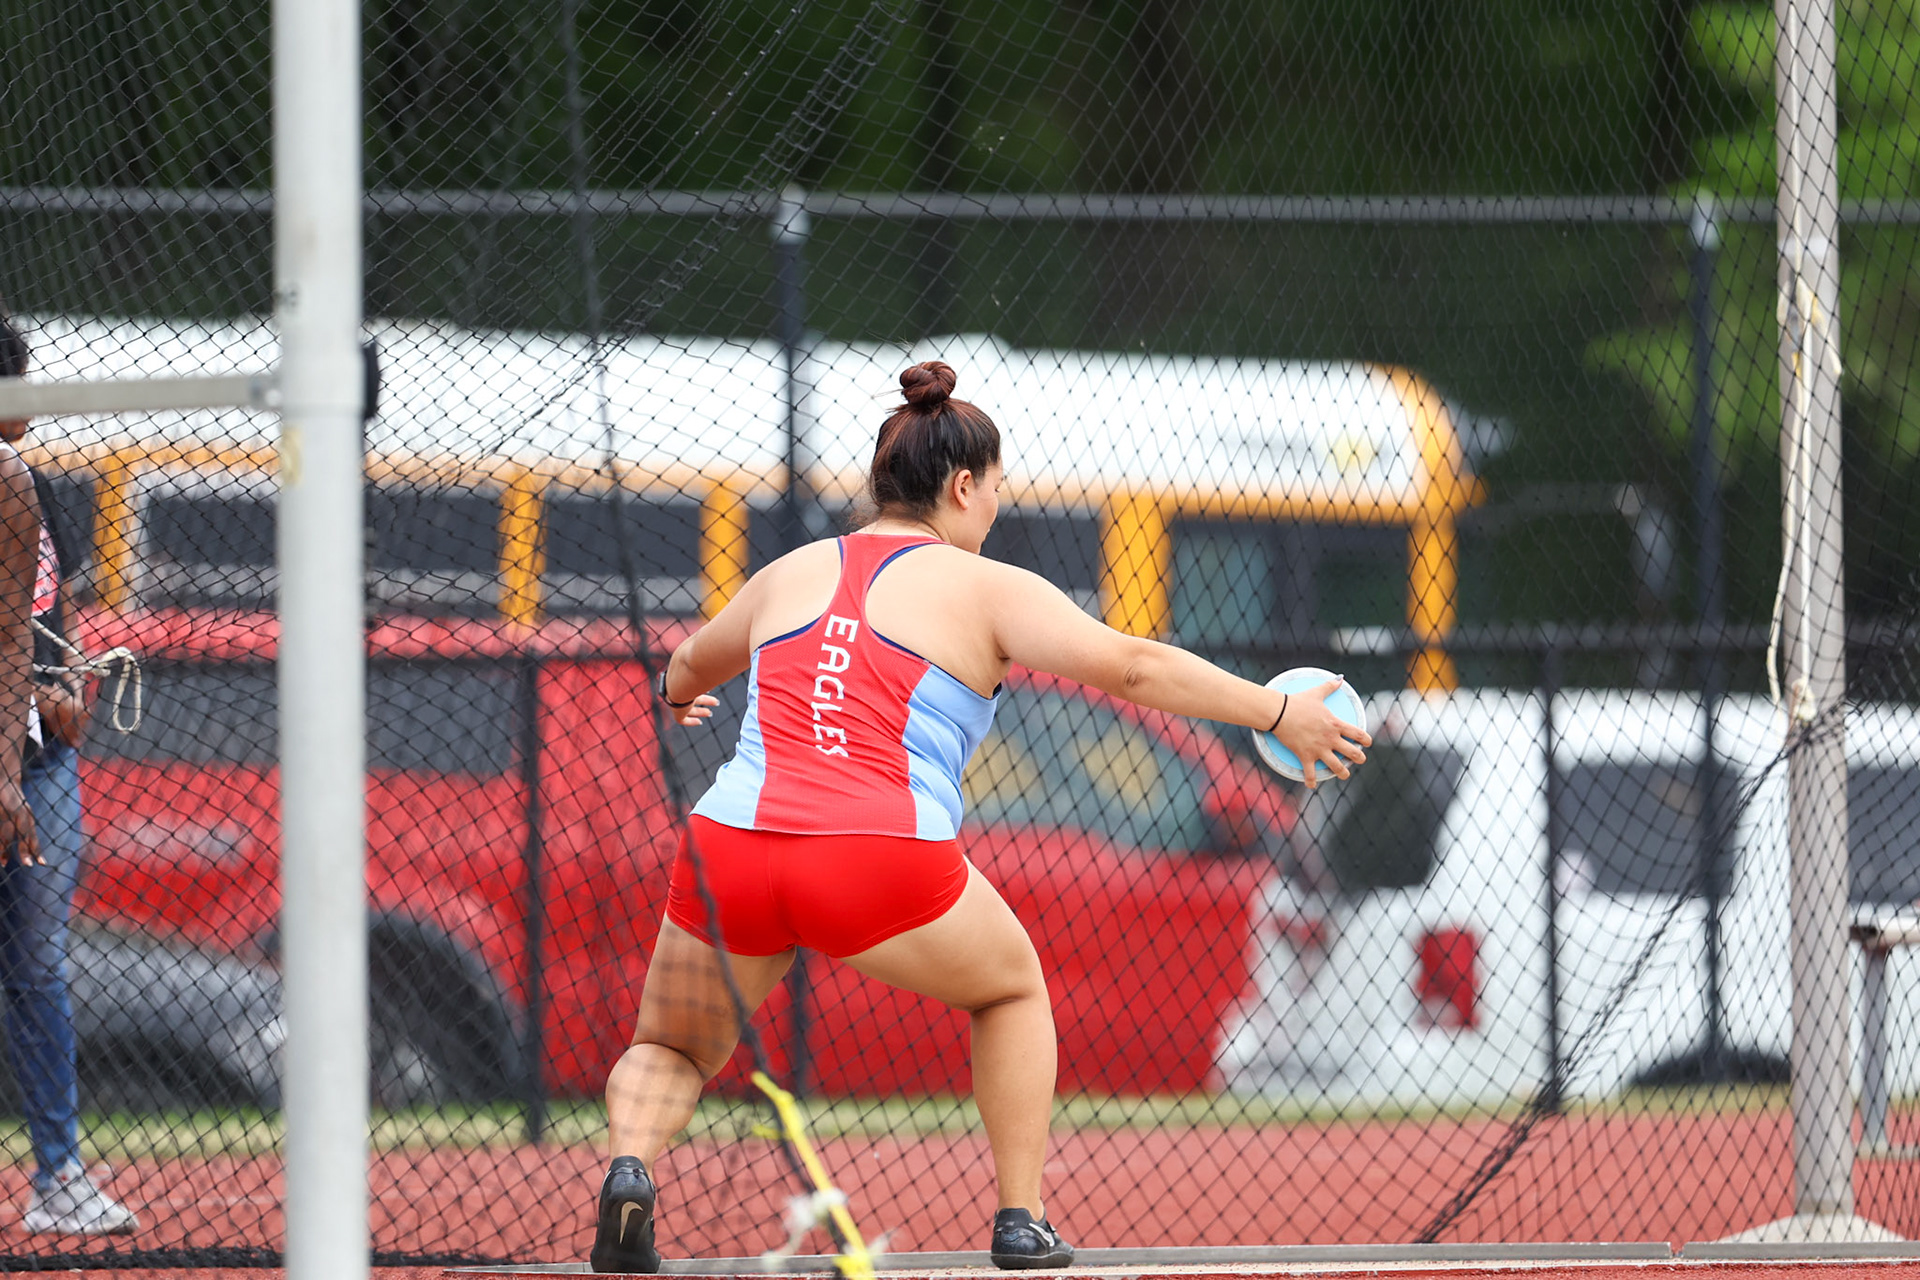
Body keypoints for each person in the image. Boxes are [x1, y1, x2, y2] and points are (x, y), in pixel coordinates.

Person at [591, 361, 1367, 1272]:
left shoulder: (791, 572)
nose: (995, 509)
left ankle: (632, 1171)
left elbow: (685, 666)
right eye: (994, 490)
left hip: (729, 848)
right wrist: (1278, 714)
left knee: (671, 1046)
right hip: (875, 854)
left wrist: (682, 697)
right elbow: (1133, 670)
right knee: (1010, 989)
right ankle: (1019, 1219)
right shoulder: (985, 586)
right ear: (961, 487)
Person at [0, 311, 137, 1235]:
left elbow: (54, 615)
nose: (33, 412)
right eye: (22, 390)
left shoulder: (29, 481)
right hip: (14, 768)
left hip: (41, 762)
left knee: (37, 968)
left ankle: (59, 1175)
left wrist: (69, 692)